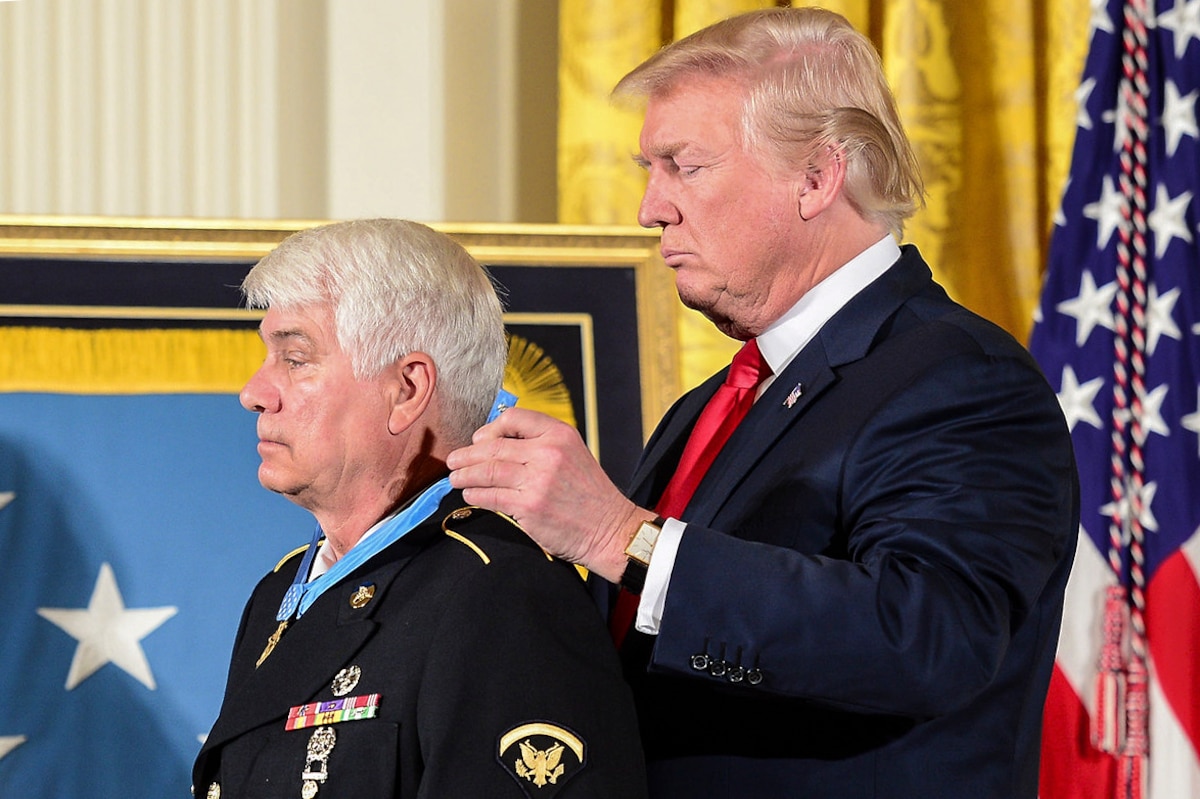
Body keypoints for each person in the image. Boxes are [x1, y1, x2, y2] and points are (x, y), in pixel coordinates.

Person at [447, 8, 1078, 799]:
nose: (651, 207)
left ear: (817, 177)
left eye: (684, 165)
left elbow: (927, 638)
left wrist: (623, 536)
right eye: (648, 167)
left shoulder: (963, 377)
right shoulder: (710, 404)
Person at [192, 219, 647, 799]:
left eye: (296, 358)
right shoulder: (281, 591)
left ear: (407, 390)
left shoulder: (500, 594)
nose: (255, 391)